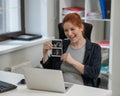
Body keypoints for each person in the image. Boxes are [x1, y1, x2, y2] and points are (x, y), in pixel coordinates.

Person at [40, 13, 101, 87]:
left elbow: (94, 73)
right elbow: (49, 68)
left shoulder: (95, 48)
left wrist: (73, 62)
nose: (69, 33)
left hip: (81, 88)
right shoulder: (62, 44)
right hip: (58, 86)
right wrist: (45, 53)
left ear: (81, 27)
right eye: (66, 30)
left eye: (72, 29)